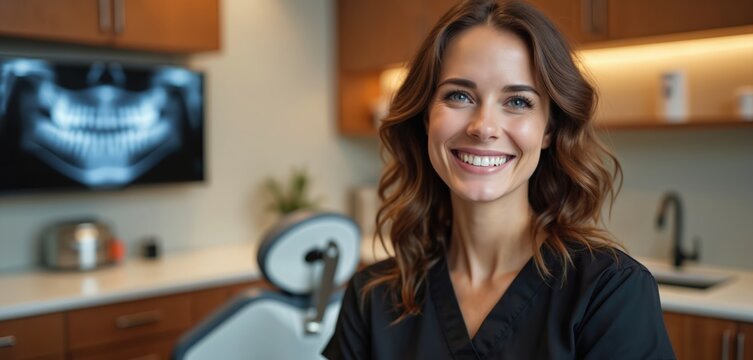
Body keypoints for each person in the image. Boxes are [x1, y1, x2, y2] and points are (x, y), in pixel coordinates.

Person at [323, 0, 675, 359]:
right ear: (426, 117)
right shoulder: (373, 295)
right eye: (459, 96)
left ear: (549, 129)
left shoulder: (610, 292)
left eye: (518, 102)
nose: (484, 127)